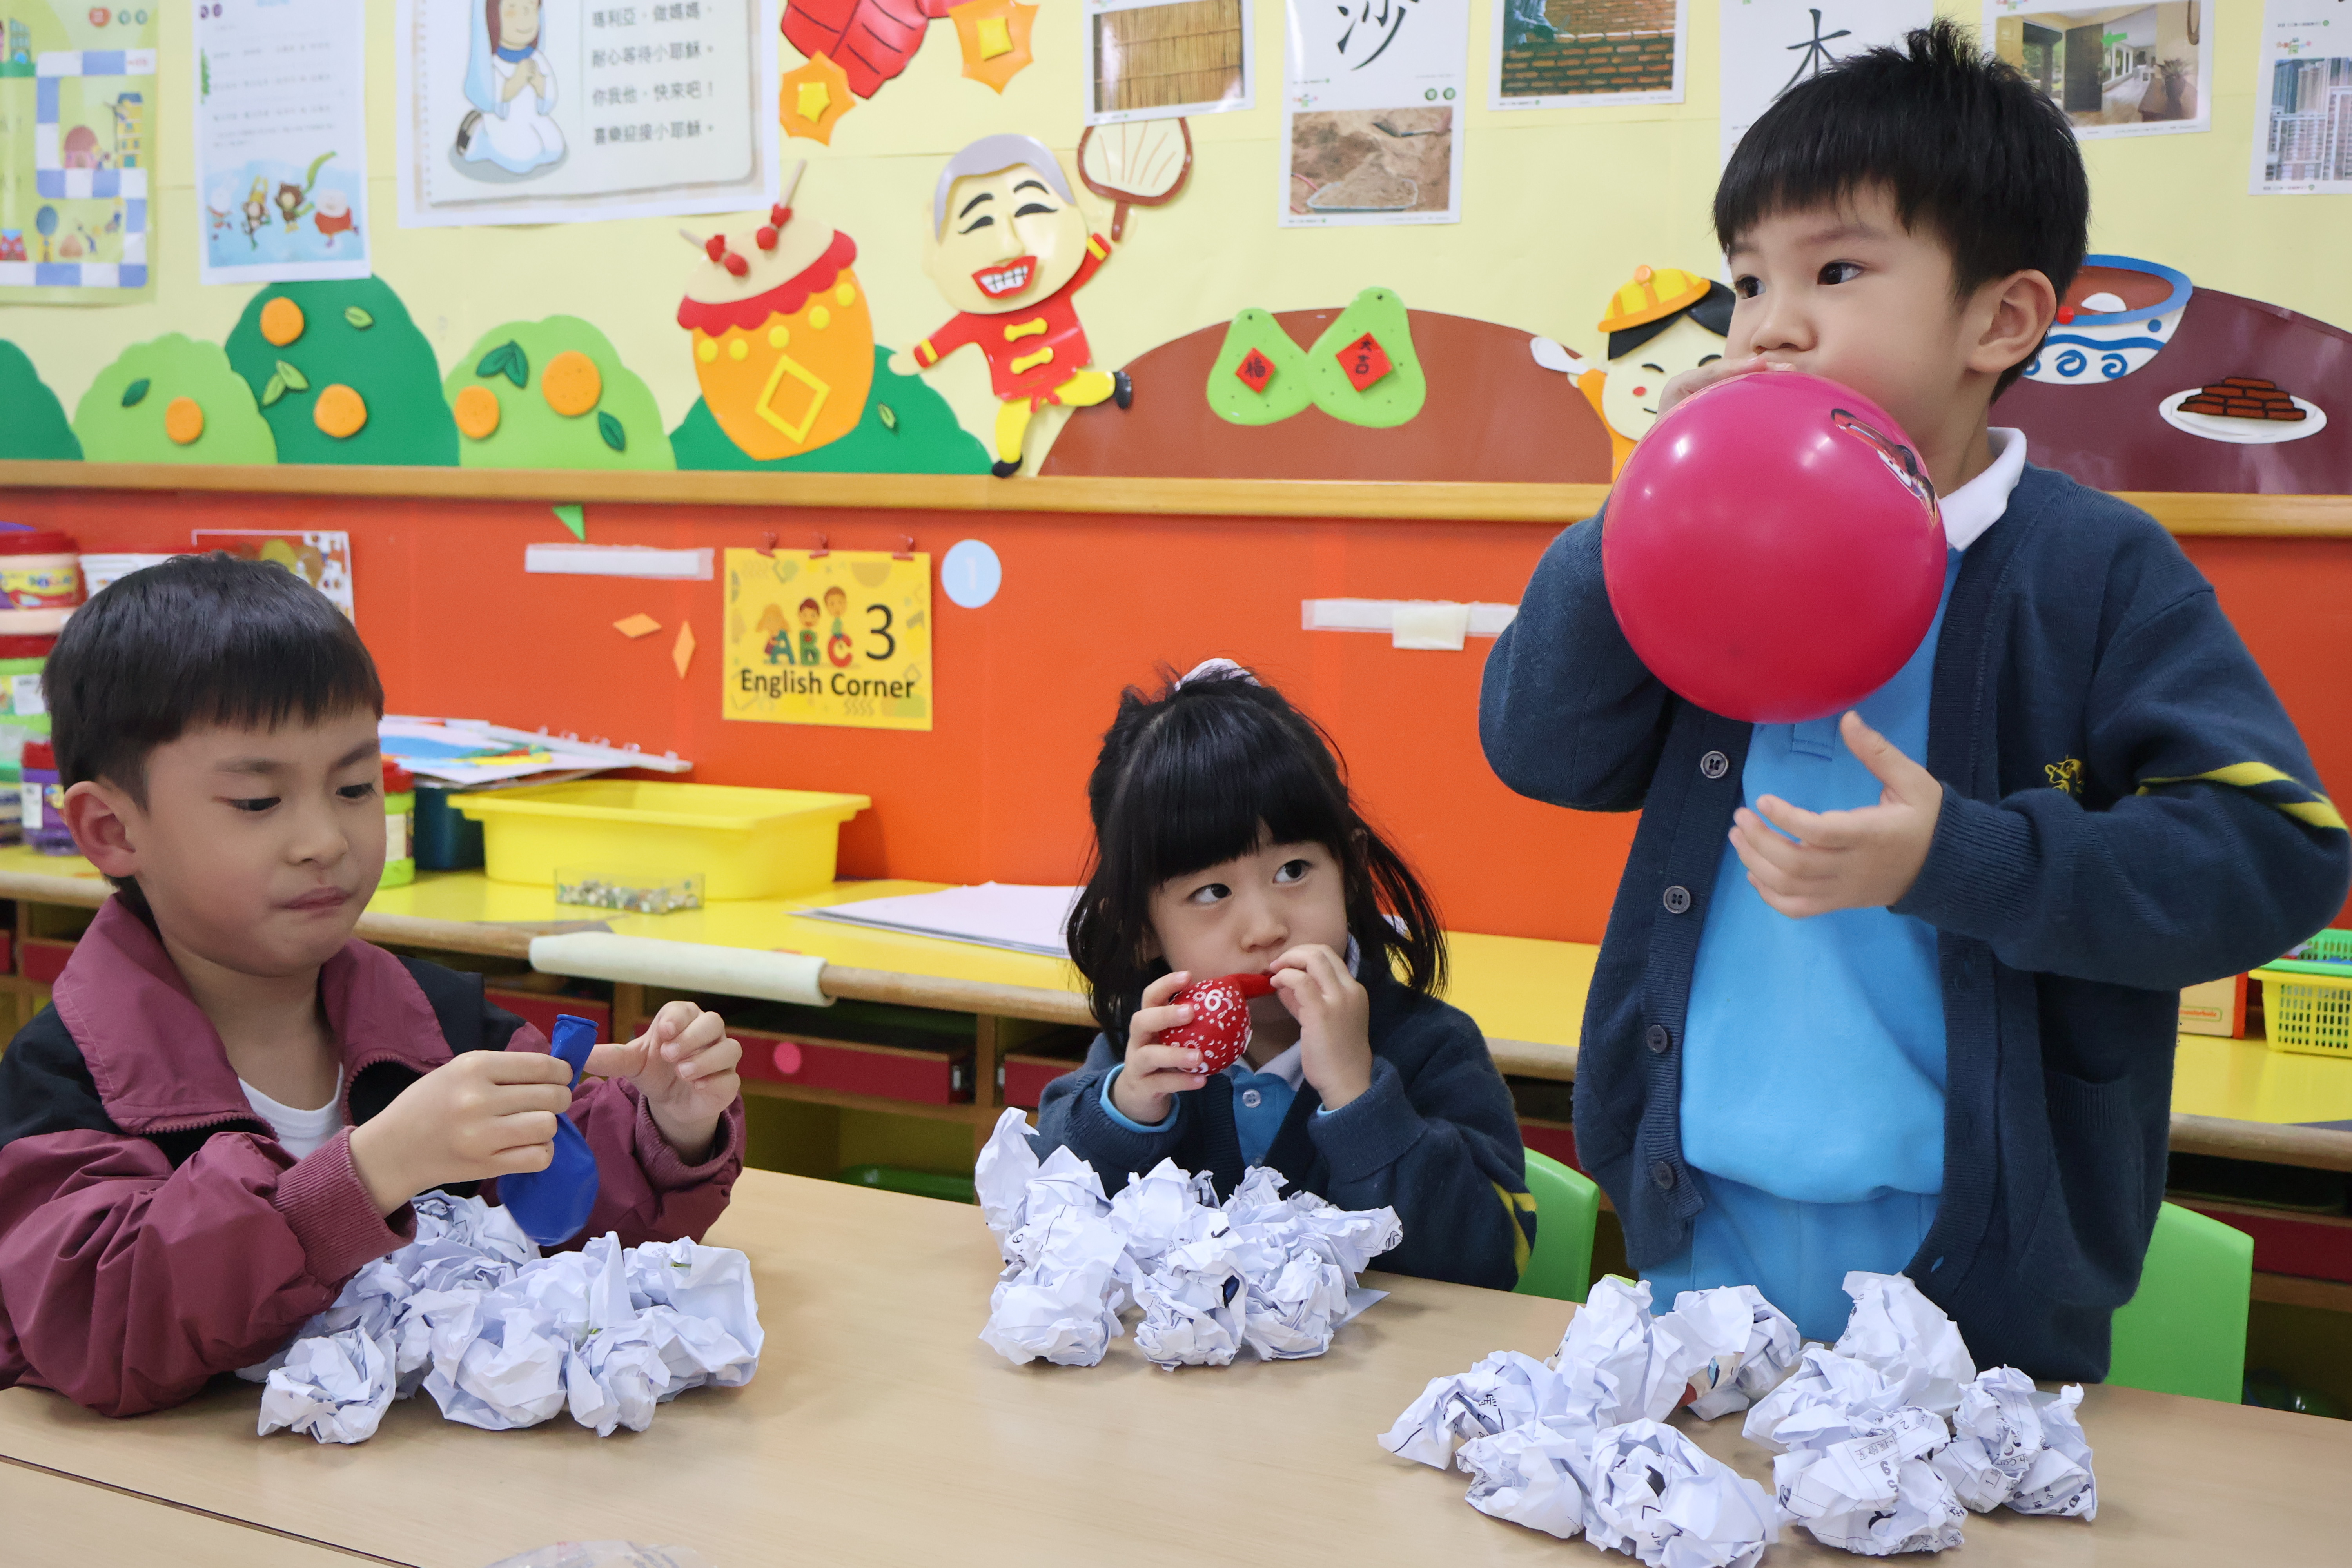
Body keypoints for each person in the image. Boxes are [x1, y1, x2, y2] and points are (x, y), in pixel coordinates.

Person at [1480, 22, 2350, 1377]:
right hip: (1698, 1231)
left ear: (2000, 321)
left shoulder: (2091, 571)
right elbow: (1539, 748)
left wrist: (1962, 857)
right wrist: (1629, 517)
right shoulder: (1709, 547)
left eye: (1834, 271)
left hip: (1976, 1276)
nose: (1768, 323)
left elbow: (2277, 853)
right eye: (1748, 279)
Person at [0, 556, 746, 1417]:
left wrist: (667, 1128)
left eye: (355, 787)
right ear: (111, 829)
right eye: (257, 801)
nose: (325, 838)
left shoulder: (439, 1021)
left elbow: (565, 1217)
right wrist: (371, 1170)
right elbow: (106, 1322)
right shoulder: (59, 1085)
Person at [1035, 660, 1534, 1290]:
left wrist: (1356, 1095)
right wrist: (1127, 1113)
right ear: (1143, 930)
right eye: (1212, 892)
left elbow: (1494, 1261)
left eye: (1293, 871)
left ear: (1349, 870)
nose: (1266, 928)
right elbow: (1050, 1215)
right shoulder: (1147, 1055)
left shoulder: (1431, 1047)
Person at [895, 134, 1133, 478]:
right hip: (1017, 386)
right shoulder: (976, 319)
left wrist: (1107, 241)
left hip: (1060, 368)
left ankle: (1115, 383)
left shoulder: (1055, 288)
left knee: (1081, 388)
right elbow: (946, 339)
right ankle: (1011, 459)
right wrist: (919, 357)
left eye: (1031, 211)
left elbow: (1085, 268)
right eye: (978, 224)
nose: (1008, 247)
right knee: (1011, 420)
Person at [457, 0, 563, 176]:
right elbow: (495, 100)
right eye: (512, 10)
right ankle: (480, 139)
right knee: (523, 159)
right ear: (492, 18)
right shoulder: (493, 63)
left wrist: (540, 85)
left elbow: (548, 100)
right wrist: (516, 82)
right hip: (503, 123)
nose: (525, 19)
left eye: (530, 9)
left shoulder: (537, 58)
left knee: (555, 148)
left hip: (532, 118)